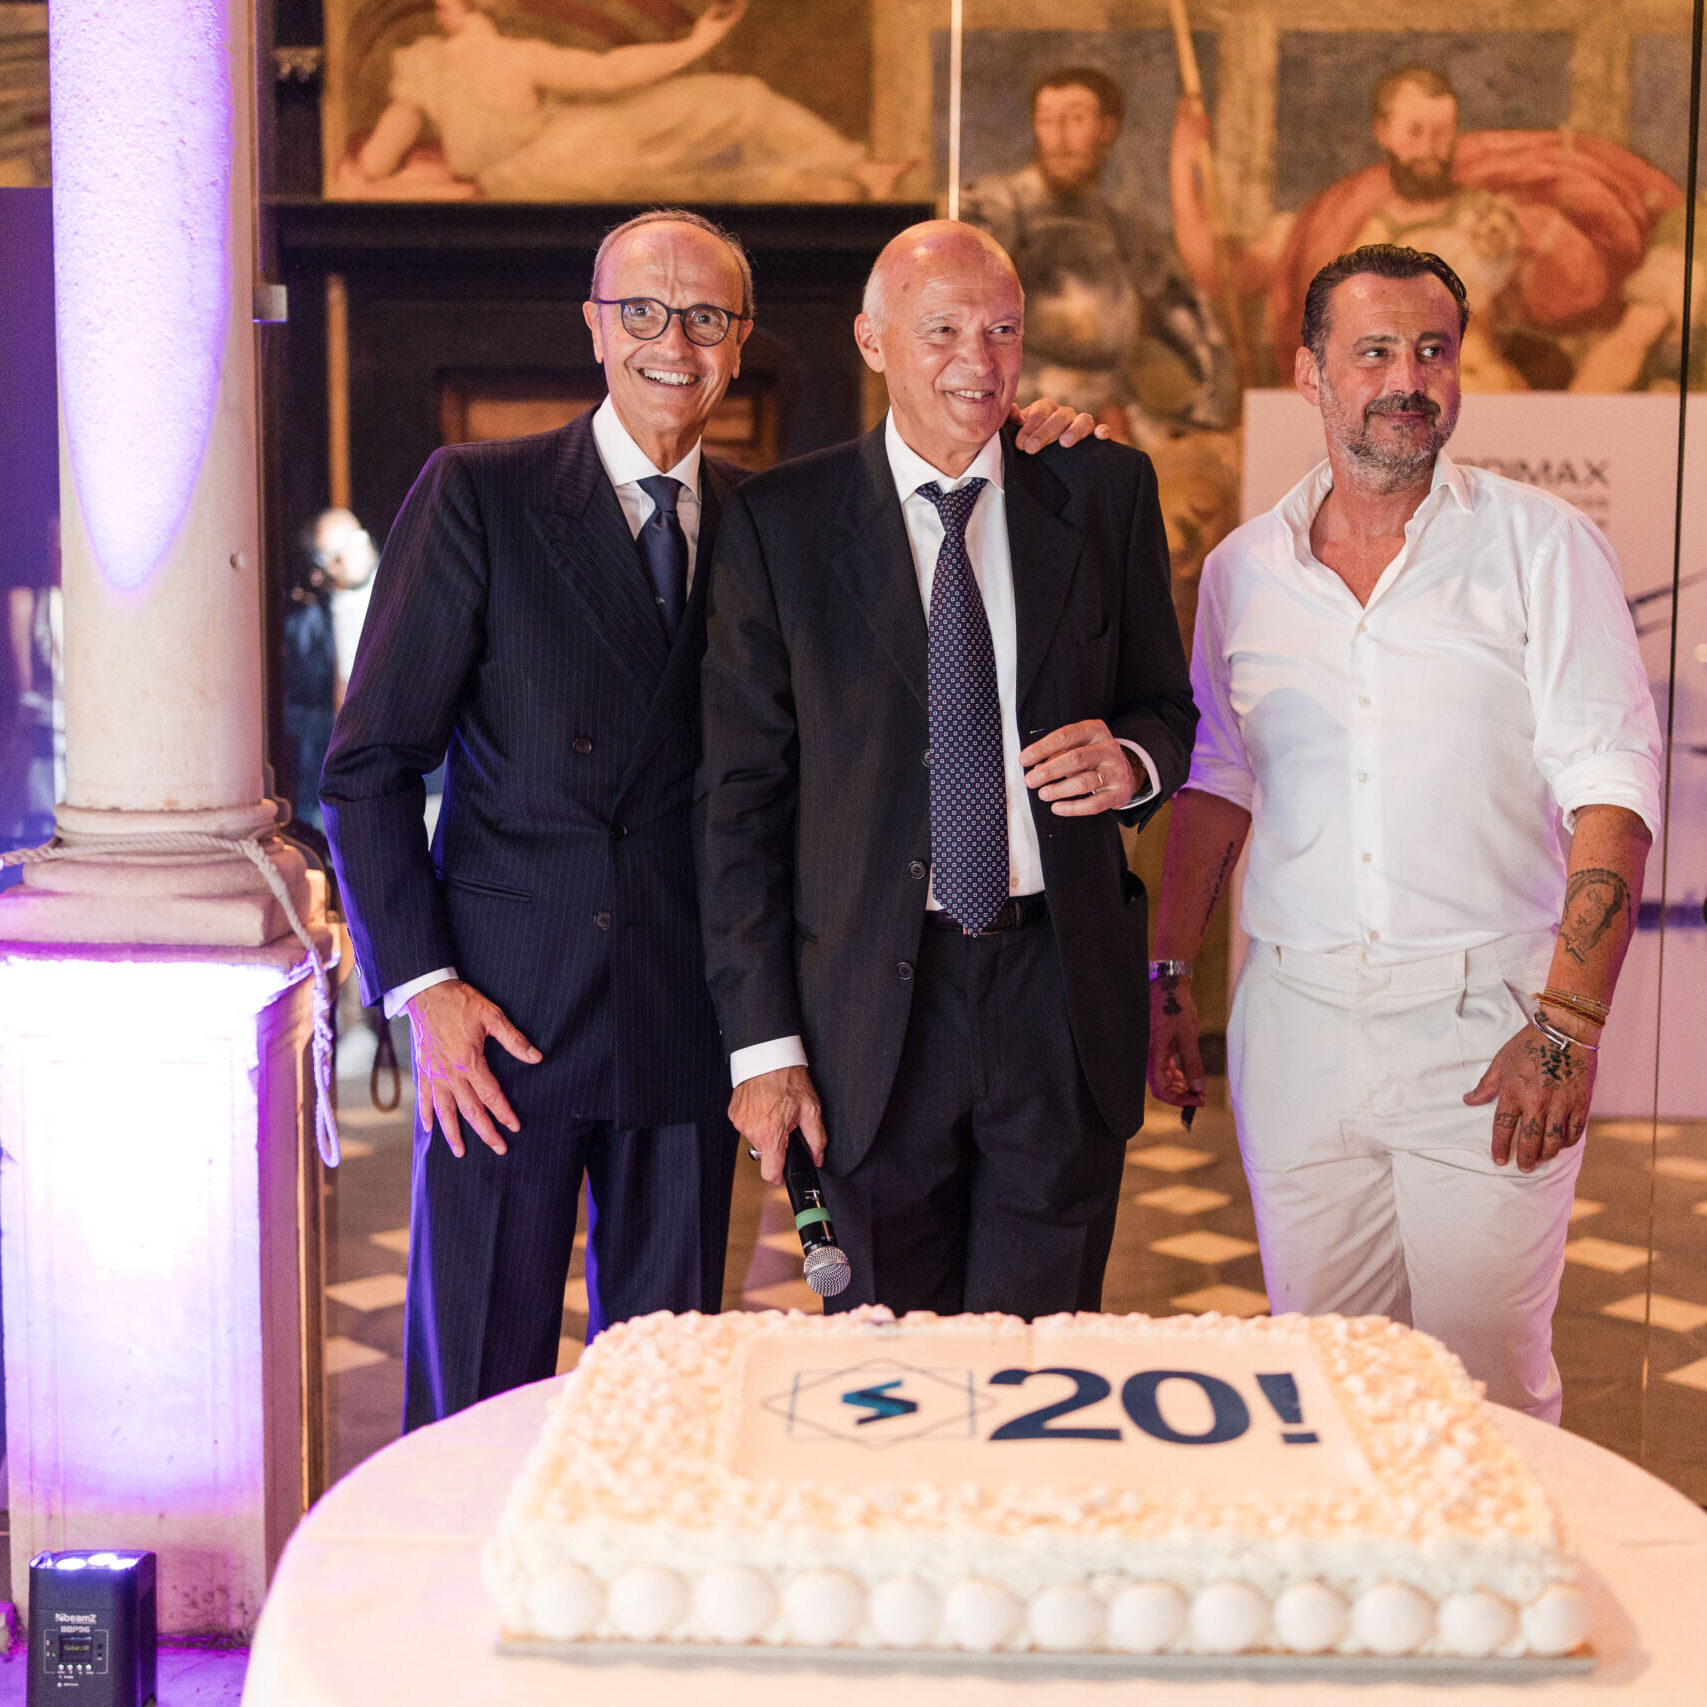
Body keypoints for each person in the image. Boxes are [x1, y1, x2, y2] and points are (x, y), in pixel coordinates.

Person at [321, 208, 1102, 1428]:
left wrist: (1031, 441)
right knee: (477, 1384)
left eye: (704, 317)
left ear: (741, 345)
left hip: (693, 1024)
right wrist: (424, 991)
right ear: (594, 326)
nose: (672, 342)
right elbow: (368, 767)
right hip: (504, 1027)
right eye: (641, 311)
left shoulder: (783, 519)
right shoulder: (480, 493)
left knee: (668, 1401)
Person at [1147, 245, 1662, 1424]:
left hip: (1489, 1027)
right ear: (1310, 373)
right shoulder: (1242, 571)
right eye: (1374, 351)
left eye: (1433, 351)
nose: (1408, 380)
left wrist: (1568, 1027)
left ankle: (1505, 1557)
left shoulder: (1541, 548)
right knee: (1326, 1384)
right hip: (1296, 1031)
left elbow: (1612, 793)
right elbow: (1219, 782)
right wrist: (1169, 973)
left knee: (1484, 1390)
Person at [699, 221, 1198, 1317]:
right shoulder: (782, 523)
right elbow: (737, 805)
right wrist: (764, 1047)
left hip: (1058, 996)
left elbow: (1167, 707)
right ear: (871, 340)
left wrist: (1132, 763)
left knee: (1041, 1358)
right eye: (942, 331)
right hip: (867, 1016)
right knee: (886, 1364)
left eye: (1002, 330)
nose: (979, 360)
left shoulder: (1101, 489)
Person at [1172, 64, 1680, 390]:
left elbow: (1568, 290)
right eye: (1415, 132)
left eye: (1443, 133)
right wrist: (1182, 163)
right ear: (1384, 133)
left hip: (1477, 396)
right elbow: (1224, 274)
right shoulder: (1339, 226)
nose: (1431, 149)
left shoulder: (1489, 218)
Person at [340, 0, 911, 204]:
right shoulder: (510, 56)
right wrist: (698, 43)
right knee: (738, 104)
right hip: (579, 148)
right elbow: (610, 74)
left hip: (539, 170)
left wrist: (384, 174)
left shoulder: (424, 67)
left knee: (697, 180)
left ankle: (819, 183)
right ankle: (851, 171)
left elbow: (377, 161)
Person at [961, 66, 1233, 440]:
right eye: (1047, 120)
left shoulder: (1127, 232)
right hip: (1014, 415)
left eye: (1075, 120)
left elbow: (1194, 329)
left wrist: (1212, 410)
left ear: (1106, 129)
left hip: (1111, 421)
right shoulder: (994, 209)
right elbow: (962, 321)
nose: (1059, 137)